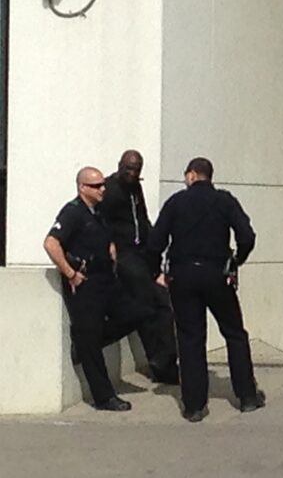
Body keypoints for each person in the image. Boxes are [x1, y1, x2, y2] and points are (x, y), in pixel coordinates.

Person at [148, 157, 263, 422]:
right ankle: (246, 396)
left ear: (191, 175)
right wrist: (235, 261)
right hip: (216, 274)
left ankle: (194, 405)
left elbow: (156, 241)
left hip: (183, 275)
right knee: (234, 333)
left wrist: (157, 272)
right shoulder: (224, 201)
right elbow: (247, 236)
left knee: (190, 338)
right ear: (209, 176)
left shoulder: (176, 203)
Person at [44, 167, 154, 411]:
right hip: (85, 282)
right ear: (82, 187)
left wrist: (111, 247)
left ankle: (82, 346)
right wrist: (70, 273)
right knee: (90, 336)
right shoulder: (72, 212)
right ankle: (104, 397)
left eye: (103, 184)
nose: (102, 189)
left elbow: (105, 236)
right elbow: (51, 244)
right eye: (96, 186)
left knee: (139, 311)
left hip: (106, 278)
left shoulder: (99, 212)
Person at [99, 150, 179, 384]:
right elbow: (99, 222)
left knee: (163, 302)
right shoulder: (110, 190)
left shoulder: (135, 188)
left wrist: (156, 245)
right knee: (147, 300)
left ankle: (165, 361)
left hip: (141, 252)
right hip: (123, 255)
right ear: (120, 165)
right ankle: (160, 363)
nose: (132, 174)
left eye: (137, 170)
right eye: (129, 169)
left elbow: (142, 220)